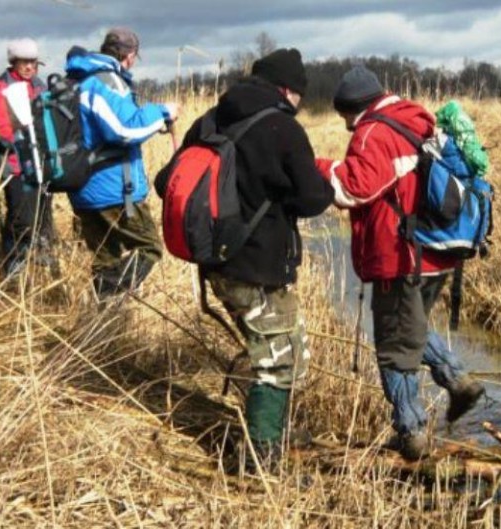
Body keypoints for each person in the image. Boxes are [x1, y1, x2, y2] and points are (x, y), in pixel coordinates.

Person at [157, 48, 335, 474]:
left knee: (283, 348)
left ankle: (275, 429)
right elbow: (312, 198)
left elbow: (166, 181)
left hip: (216, 262)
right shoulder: (282, 128)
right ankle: (259, 456)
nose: (300, 104)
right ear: (289, 90)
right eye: (301, 96)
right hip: (257, 267)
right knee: (278, 360)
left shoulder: (210, 120)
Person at [315, 65, 485, 460]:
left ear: (351, 109)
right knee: (411, 329)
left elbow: (354, 189)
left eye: (344, 118)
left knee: (393, 346)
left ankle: (412, 432)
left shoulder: (374, 132)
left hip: (400, 256)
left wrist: (320, 167)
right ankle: (457, 380)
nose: (345, 126)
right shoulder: (415, 117)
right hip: (434, 253)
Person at [64, 27, 179, 302]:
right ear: (129, 56)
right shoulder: (106, 81)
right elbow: (125, 129)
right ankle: (107, 292)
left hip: (83, 188)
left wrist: (153, 122)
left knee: (106, 258)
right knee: (150, 248)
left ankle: (102, 331)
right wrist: (163, 112)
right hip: (113, 190)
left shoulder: (78, 79)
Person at [0, 38, 55, 277]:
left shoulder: (39, 86)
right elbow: (1, 125)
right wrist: (17, 141)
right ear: (13, 63)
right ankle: (15, 264)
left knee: (42, 213)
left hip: (40, 163)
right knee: (20, 216)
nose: (29, 67)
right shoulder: (1, 88)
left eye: (33, 63)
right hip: (15, 163)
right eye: (24, 63)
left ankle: (42, 257)